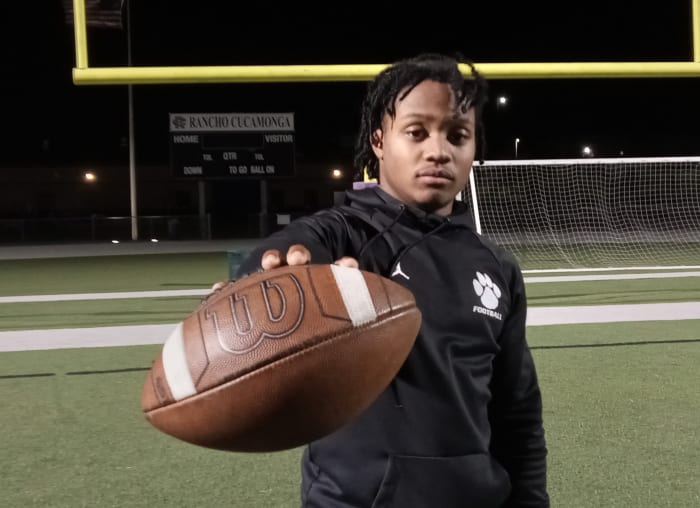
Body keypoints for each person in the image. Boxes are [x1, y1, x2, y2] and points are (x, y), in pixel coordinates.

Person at [232, 53, 549, 507]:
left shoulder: (496, 266)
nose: (438, 151)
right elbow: (285, 253)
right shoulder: (344, 234)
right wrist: (279, 275)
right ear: (379, 142)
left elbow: (517, 413)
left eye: (457, 135)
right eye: (417, 132)